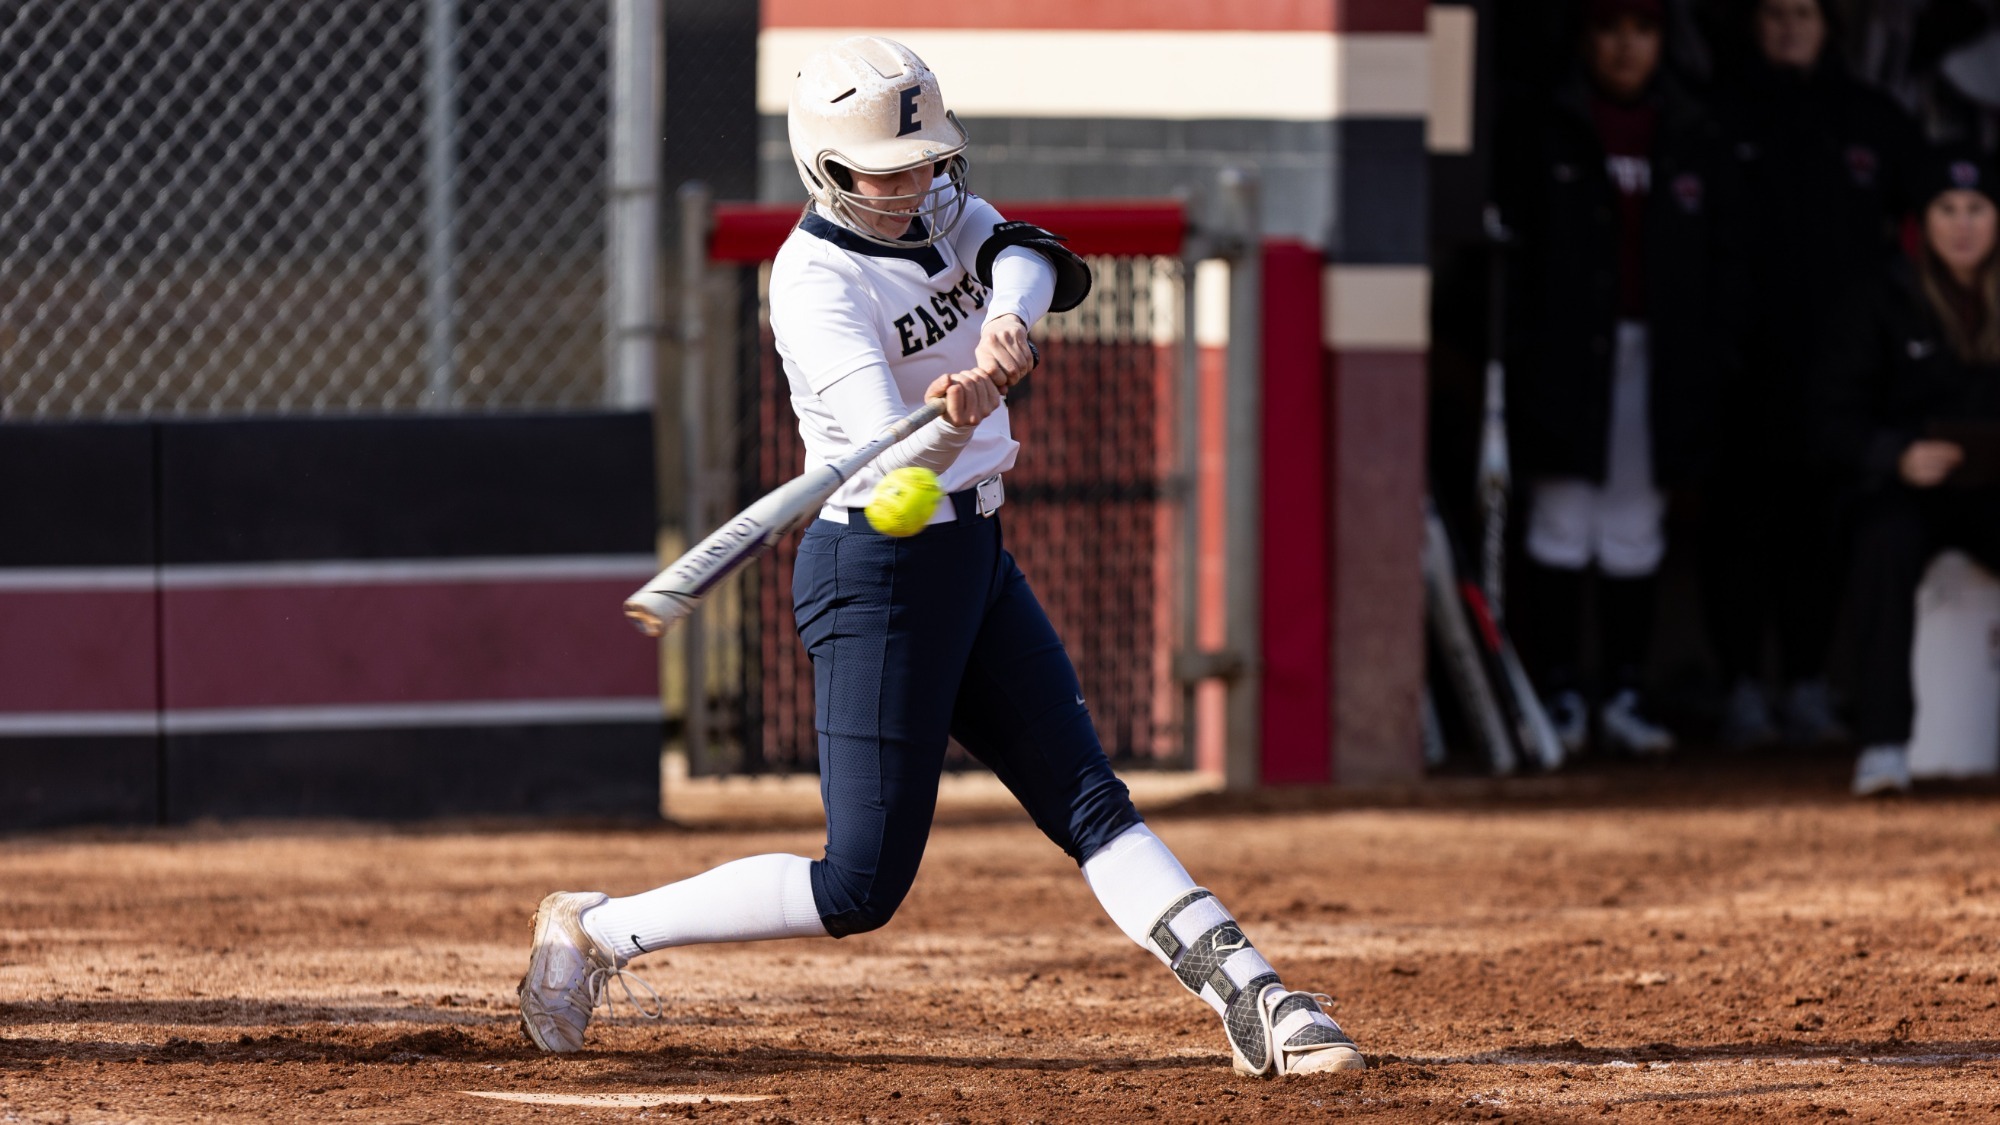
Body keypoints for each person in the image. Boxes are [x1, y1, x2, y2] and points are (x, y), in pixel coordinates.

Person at [514, 37, 1364, 1077]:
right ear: (826, 168)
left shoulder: (942, 212)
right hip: (877, 569)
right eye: (887, 172)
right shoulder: (814, 282)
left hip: (973, 555)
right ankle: (596, 930)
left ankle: (1258, 999)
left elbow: (1031, 252)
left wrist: (1007, 322)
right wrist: (955, 420)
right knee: (859, 887)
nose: (913, 187)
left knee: (1091, 802)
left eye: (925, 164)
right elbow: (896, 481)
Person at [1501, 0, 1740, 757]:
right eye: (1609, 29)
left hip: (1661, 355)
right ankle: (1560, 692)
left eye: (1642, 30)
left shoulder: (1694, 130)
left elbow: (1726, 261)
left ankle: (1627, 692)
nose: (1626, 48)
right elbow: (1513, 260)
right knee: (1562, 520)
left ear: (1664, 39)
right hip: (1566, 354)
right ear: (1585, 38)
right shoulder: (1545, 126)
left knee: (1634, 524)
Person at [1704, 0, 1923, 750]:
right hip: (1738, 367)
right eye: (1774, 13)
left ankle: (1806, 682)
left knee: (1819, 530)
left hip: (1841, 374)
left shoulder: (1872, 119)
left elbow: (1932, 222)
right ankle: (1739, 685)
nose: (1789, 27)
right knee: (1738, 528)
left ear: (1830, 25)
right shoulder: (1719, 115)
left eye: (1804, 12)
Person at [1820, 148, 2000, 796]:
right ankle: (1884, 744)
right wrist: (1895, 455)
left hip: (1993, 493)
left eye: (1977, 208)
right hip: (1909, 491)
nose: (1963, 224)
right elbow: (1833, 418)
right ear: (1922, 221)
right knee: (1882, 544)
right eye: (1946, 209)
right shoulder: (1884, 295)